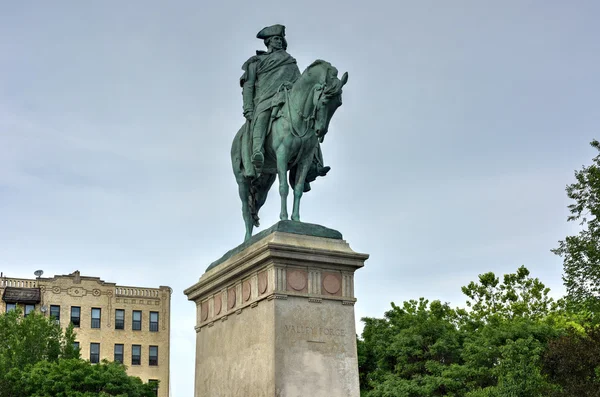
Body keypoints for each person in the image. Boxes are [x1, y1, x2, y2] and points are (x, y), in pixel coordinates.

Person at [240, 24, 330, 188]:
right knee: (262, 116)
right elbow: (249, 85)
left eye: (281, 39)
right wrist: (248, 107)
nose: (279, 41)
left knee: (308, 123)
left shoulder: (289, 61)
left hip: (287, 98)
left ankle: (314, 163)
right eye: (275, 39)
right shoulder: (256, 62)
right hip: (265, 99)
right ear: (268, 42)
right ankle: (258, 152)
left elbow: (299, 84)